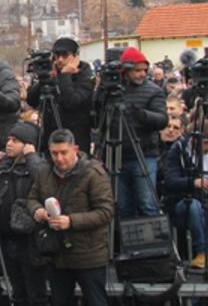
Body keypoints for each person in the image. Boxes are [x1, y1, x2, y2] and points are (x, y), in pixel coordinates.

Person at [27, 129, 113, 306]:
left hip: (88, 254)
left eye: (63, 153)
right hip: (56, 253)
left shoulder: (94, 174)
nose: (59, 158)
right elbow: (31, 198)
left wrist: (71, 221)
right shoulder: (44, 172)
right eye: (54, 153)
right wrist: (37, 211)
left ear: (75, 149)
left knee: (96, 301)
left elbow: (105, 211)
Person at [99, 47, 168, 218]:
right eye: (137, 70)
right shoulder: (111, 89)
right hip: (116, 156)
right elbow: (98, 120)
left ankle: (154, 243)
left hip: (143, 156)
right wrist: (101, 91)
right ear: (126, 70)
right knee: (123, 207)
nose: (142, 74)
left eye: (145, 70)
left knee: (147, 205)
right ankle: (126, 244)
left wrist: (141, 114)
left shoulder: (153, 91)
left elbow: (162, 120)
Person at [0, 122, 49, 306]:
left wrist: (32, 157)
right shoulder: (5, 167)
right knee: (18, 294)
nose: (9, 144)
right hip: (8, 239)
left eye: (15, 141)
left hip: (31, 241)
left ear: (28, 144)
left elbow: (45, 182)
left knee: (35, 295)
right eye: (8, 139)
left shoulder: (38, 166)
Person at [25, 38, 95, 152]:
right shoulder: (54, 73)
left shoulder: (85, 75)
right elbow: (31, 101)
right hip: (50, 138)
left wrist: (65, 75)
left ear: (76, 57)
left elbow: (71, 102)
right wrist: (44, 79)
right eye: (57, 56)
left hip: (76, 141)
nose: (60, 60)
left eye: (65, 56)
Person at [161, 130, 208, 269]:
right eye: (205, 143)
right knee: (194, 206)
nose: (206, 148)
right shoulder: (179, 150)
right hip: (183, 203)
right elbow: (170, 180)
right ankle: (201, 253)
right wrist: (193, 182)